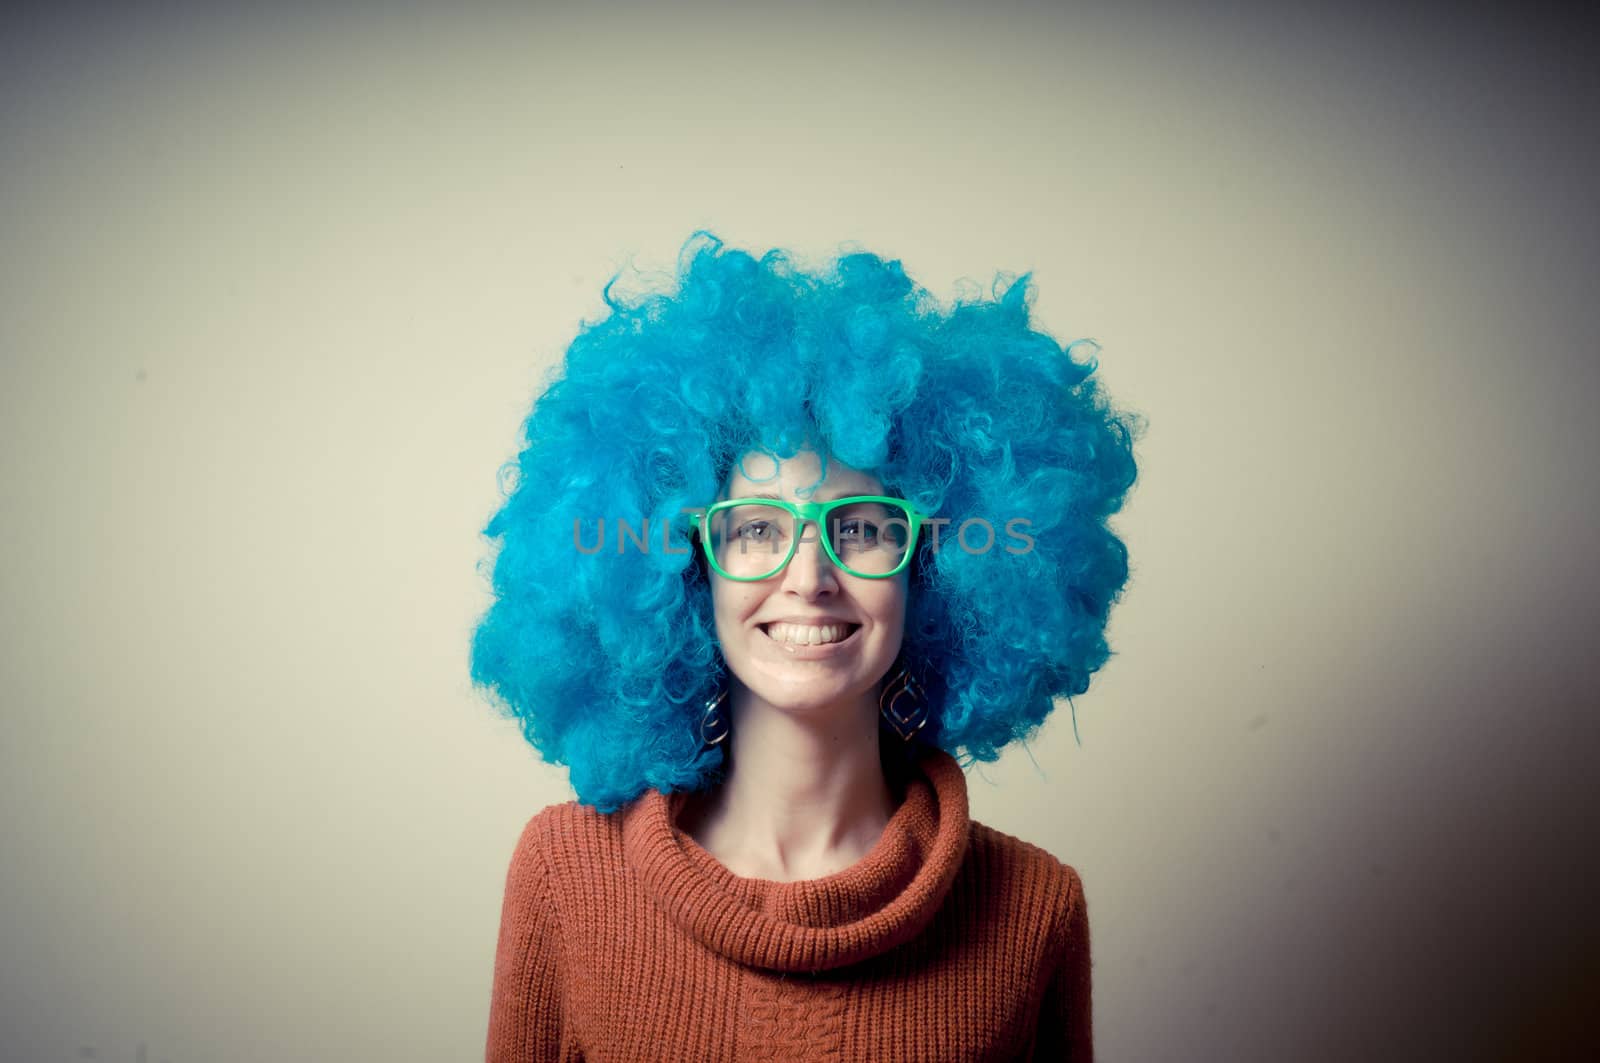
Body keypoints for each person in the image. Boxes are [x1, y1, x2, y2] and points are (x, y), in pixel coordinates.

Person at [472, 233, 1139, 1061]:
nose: (809, 575)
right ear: (685, 568)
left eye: (860, 528)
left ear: (930, 570)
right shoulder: (565, 876)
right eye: (756, 529)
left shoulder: (1033, 910)